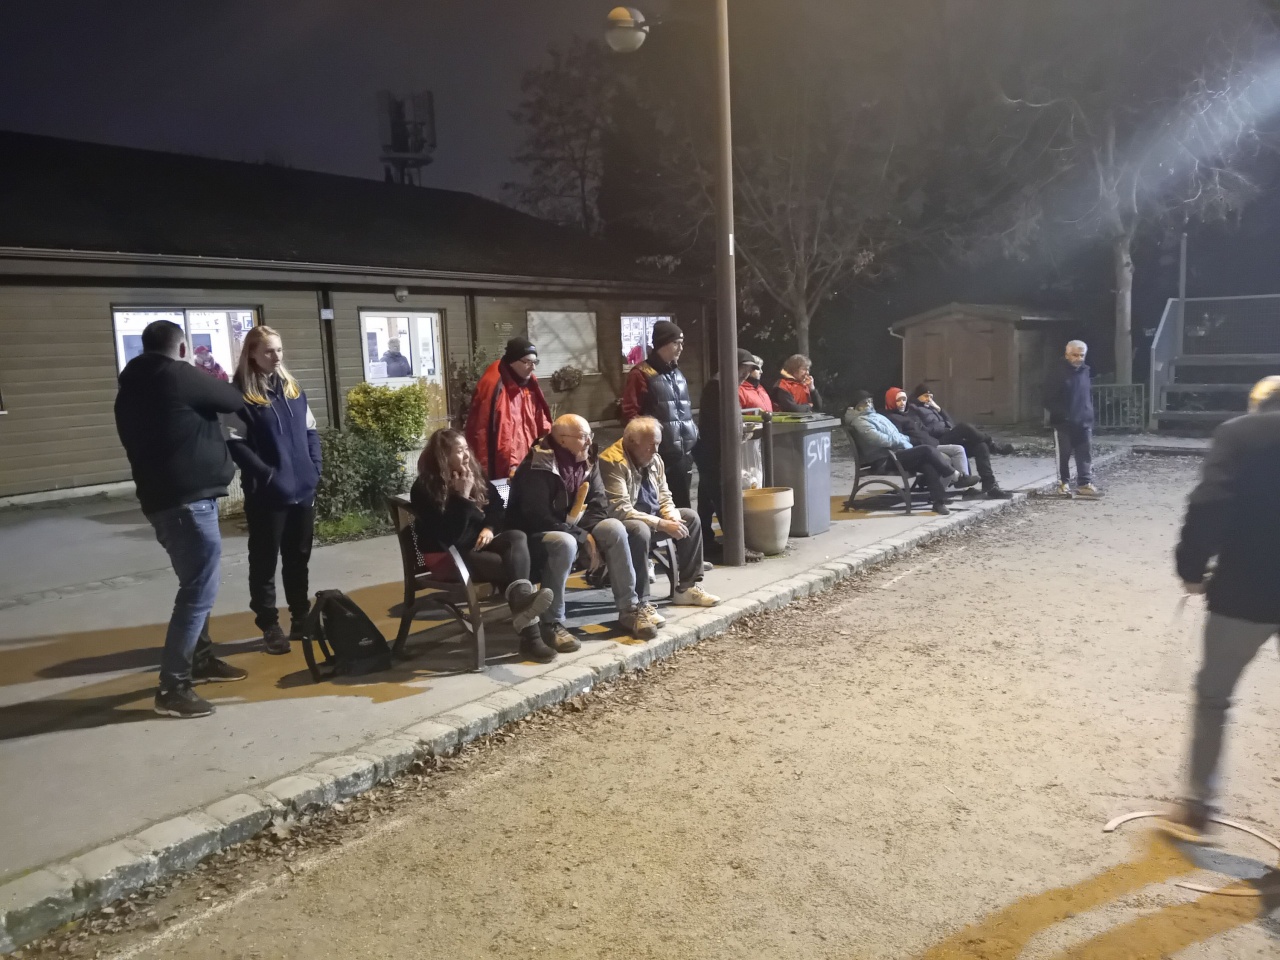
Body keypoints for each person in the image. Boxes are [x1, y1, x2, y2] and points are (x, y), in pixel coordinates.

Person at [1160, 376, 1280, 844]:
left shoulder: (1240, 434)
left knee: (1214, 696)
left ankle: (1198, 805)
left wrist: (1191, 568)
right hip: (1247, 588)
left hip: (1245, 588)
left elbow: (1208, 504)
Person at [114, 319, 248, 719]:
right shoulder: (176, 375)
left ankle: (200, 660)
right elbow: (232, 398)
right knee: (198, 592)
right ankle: (172, 687)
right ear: (184, 347)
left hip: (164, 501)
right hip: (187, 504)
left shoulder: (132, 386)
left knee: (195, 584)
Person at [507, 414, 662, 645]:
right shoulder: (537, 466)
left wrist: (585, 533)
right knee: (566, 542)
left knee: (614, 528)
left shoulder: (588, 460)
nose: (589, 442)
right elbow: (538, 517)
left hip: (574, 527)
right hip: (536, 535)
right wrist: (581, 536)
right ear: (562, 440)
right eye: (583, 437)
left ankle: (630, 609)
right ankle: (552, 623)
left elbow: (599, 504)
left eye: (590, 435)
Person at [410, 429, 557, 663]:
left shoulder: (474, 474)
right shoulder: (425, 487)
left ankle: (522, 604)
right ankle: (532, 639)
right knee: (514, 568)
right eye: (459, 451)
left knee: (517, 537)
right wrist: (463, 498)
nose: (466, 455)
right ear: (443, 455)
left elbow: (497, 510)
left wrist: (489, 527)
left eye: (466, 449)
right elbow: (450, 536)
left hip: (476, 547)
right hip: (448, 556)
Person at [224, 326, 323, 655]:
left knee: (298, 559)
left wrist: (314, 468)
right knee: (264, 562)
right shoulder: (239, 396)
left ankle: (301, 618)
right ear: (252, 354)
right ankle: (269, 625)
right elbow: (234, 442)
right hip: (267, 496)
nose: (276, 356)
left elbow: (310, 431)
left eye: (279, 349)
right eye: (269, 350)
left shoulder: (292, 389)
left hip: (302, 491)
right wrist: (265, 475)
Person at [599, 416, 722, 622]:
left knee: (690, 518)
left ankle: (687, 588)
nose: (656, 451)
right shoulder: (612, 461)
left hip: (653, 516)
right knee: (639, 530)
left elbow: (664, 495)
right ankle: (641, 602)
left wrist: (671, 516)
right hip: (625, 522)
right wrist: (661, 523)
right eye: (650, 446)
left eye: (658, 444)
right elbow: (620, 509)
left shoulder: (654, 458)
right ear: (632, 442)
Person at [843, 390, 980, 515]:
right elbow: (880, 440)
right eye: (864, 402)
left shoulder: (876, 416)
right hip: (884, 459)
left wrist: (903, 440)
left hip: (897, 453)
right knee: (927, 449)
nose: (868, 404)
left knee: (927, 463)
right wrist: (904, 440)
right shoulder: (860, 421)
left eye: (870, 401)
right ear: (856, 406)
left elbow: (895, 435)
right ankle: (956, 476)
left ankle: (938, 502)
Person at [693, 349, 764, 563]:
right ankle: (736, 544)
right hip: (714, 451)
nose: (745, 375)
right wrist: (739, 432)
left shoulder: (721, 386)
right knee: (723, 497)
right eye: (743, 370)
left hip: (710, 450)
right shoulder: (718, 388)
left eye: (748, 371)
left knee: (707, 498)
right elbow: (720, 423)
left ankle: (706, 541)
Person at [621, 320, 698, 509]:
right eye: (676, 343)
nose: (681, 348)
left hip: (682, 454)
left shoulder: (677, 373)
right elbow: (630, 413)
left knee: (683, 507)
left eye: (682, 343)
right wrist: (646, 444)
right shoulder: (640, 374)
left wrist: (693, 435)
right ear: (662, 344)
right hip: (658, 454)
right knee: (659, 506)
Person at [465, 336, 553, 481]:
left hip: (530, 463)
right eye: (528, 362)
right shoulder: (494, 386)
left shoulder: (531, 384)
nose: (533, 367)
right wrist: (510, 466)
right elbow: (483, 435)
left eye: (535, 362)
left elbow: (542, 422)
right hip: (507, 469)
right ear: (513, 361)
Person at [906, 385, 1014, 500]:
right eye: (925, 396)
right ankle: (992, 445)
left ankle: (990, 485)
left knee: (980, 446)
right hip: (936, 441)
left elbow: (950, 423)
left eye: (931, 396)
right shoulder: (913, 409)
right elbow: (922, 431)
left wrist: (939, 409)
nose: (929, 399)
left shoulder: (932, 408)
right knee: (964, 427)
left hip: (948, 438)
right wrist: (944, 430)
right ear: (917, 396)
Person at [883, 388, 974, 487]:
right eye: (898, 400)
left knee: (959, 448)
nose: (902, 403)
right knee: (946, 456)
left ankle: (964, 480)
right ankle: (943, 490)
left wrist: (939, 413)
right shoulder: (892, 418)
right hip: (919, 448)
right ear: (891, 401)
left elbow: (924, 429)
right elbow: (901, 439)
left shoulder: (910, 413)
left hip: (931, 443)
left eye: (904, 399)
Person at [1043, 340, 1099, 497]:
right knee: (1064, 455)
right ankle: (1063, 483)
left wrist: (1089, 413)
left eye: (1082, 355)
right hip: (1064, 423)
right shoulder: (1057, 373)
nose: (1078, 358)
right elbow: (1047, 399)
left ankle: (1084, 483)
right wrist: (1063, 415)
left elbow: (1087, 395)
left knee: (1084, 454)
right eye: (1075, 355)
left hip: (1084, 421)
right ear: (1067, 355)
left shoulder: (1086, 371)